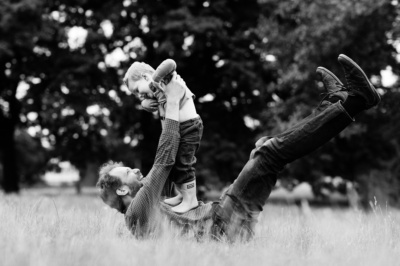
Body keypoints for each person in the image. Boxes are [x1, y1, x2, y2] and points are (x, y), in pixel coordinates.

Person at [97, 54, 380, 242]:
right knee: (268, 153)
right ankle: (353, 101)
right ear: (122, 190)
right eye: (127, 173)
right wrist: (171, 103)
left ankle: (337, 104)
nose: (136, 169)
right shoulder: (138, 209)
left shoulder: (149, 208)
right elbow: (164, 161)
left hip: (222, 218)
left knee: (266, 150)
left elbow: (170, 148)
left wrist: (163, 107)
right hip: (224, 226)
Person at [122, 61, 203, 213]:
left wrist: (156, 78)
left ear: (146, 77)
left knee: (183, 164)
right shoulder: (157, 93)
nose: (140, 96)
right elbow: (148, 101)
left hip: (189, 127)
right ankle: (182, 195)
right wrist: (145, 103)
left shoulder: (164, 81)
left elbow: (170, 63)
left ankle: (190, 199)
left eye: (137, 90)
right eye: (137, 95)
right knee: (174, 164)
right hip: (181, 129)